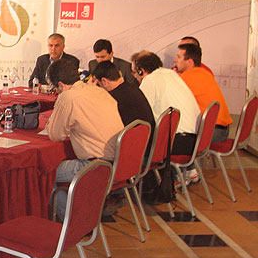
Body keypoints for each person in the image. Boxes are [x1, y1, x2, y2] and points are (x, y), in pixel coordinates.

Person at [46, 59, 123, 221]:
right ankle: (82, 213)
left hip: (95, 165)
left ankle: (75, 220)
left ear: (61, 84)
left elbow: (55, 135)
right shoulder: (99, 91)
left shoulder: (68, 97)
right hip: (118, 162)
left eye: (56, 89)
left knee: (43, 173)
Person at [133, 52, 201, 187]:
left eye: (135, 72)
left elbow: (140, 113)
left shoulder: (150, 80)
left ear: (141, 70)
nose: (134, 76)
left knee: (135, 143)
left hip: (177, 144)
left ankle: (140, 186)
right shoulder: (171, 74)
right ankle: (187, 170)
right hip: (195, 140)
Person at [175, 43, 232, 143]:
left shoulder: (187, 77)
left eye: (179, 57)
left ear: (189, 62)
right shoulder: (205, 73)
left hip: (211, 132)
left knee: (166, 139)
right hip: (222, 129)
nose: (175, 60)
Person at [90, 60, 155, 134]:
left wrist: (91, 91)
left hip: (135, 141)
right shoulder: (132, 87)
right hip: (148, 138)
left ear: (104, 81)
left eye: (98, 85)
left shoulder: (113, 98)